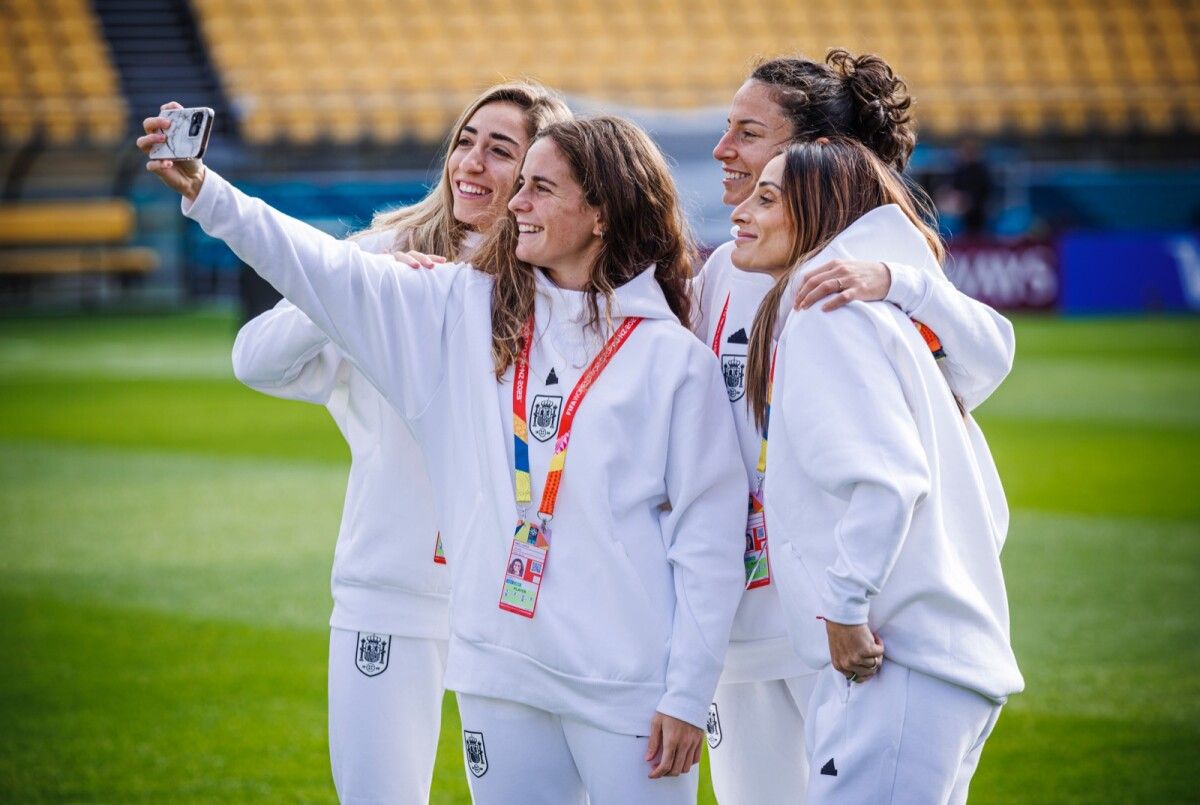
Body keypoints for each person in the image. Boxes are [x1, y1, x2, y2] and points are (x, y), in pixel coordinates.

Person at [142, 114, 747, 805]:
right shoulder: (460, 311)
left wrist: (688, 689)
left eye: (539, 188)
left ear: (602, 212)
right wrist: (207, 192)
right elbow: (320, 268)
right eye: (518, 186)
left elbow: (708, 544)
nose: (514, 203)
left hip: (627, 691)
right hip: (499, 676)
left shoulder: (674, 362)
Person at [171, 82, 572, 804]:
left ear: (541, 175)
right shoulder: (387, 255)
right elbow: (255, 359)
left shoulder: (560, 287)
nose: (472, 163)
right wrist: (361, 290)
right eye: (465, 141)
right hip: (392, 594)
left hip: (518, 602)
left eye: (501, 150)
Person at [696, 49, 1017, 804]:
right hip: (747, 615)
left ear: (811, 153)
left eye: (747, 131)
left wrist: (902, 282)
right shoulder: (724, 269)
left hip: (847, 621)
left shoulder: (858, 267)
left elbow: (988, 354)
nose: (722, 149)